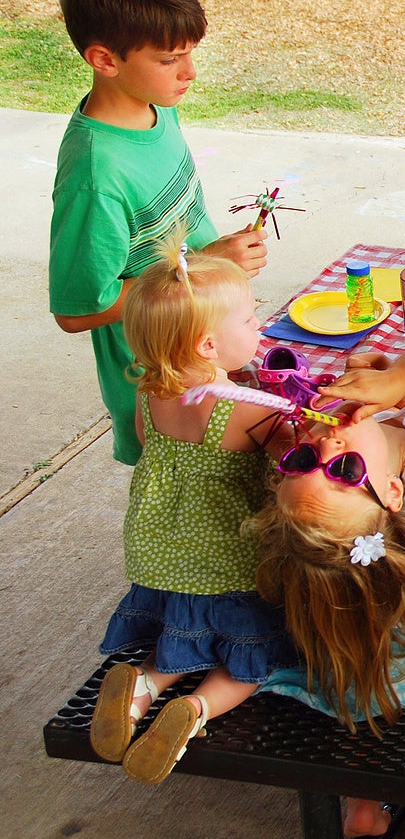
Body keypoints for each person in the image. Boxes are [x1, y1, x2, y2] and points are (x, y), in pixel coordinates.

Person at [250, 315, 405, 839]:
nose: (327, 447)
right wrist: (400, 377)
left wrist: (399, 404)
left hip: (368, 661)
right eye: (344, 472)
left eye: (305, 458)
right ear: (391, 494)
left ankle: (364, 797)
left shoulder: (364, 510)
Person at [50, 0, 269, 466]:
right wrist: (202, 266)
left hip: (212, 354)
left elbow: (181, 226)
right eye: (169, 59)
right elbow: (76, 311)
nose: (189, 71)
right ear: (105, 60)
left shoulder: (156, 110)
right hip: (164, 390)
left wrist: (217, 263)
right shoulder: (95, 173)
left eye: (190, 52)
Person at [88, 234, 291, 784]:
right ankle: (198, 709)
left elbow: (147, 448)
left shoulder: (149, 394)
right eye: (249, 321)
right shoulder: (245, 410)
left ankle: (142, 687)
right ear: (207, 345)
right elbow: (294, 460)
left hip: (165, 561)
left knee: (183, 640)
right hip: (230, 568)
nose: (260, 328)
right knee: (254, 659)